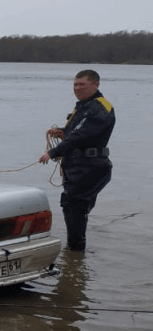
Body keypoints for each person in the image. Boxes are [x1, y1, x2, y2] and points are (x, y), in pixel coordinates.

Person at [38, 69, 115, 252]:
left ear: (95, 85)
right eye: (75, 84)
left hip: (90, 167)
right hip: (80, 166)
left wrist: (52, 152)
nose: (77, 88)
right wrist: (62, 132)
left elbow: (80, 136)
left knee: (73, 206)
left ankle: (75, 252)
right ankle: (75, 261)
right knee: (76, 210)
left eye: (82, 84)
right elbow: (76, 132)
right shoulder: (83, 105)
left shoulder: (100, 107)